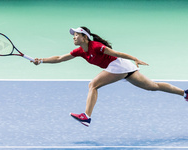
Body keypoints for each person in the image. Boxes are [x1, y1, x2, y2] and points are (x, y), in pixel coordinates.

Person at [33, 26, 188, 127]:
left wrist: (134, 58)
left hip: (120, 65)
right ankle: (185, 93)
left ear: (85, 37)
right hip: (124, 68)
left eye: (76, 35)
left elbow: (116, 53)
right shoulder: (80, 51)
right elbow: (60, 58)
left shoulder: (97, 47)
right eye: (73, 35)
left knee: (93, 85)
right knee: (153, 87)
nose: (73, 37)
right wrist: (41, 60)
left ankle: (86, 116)